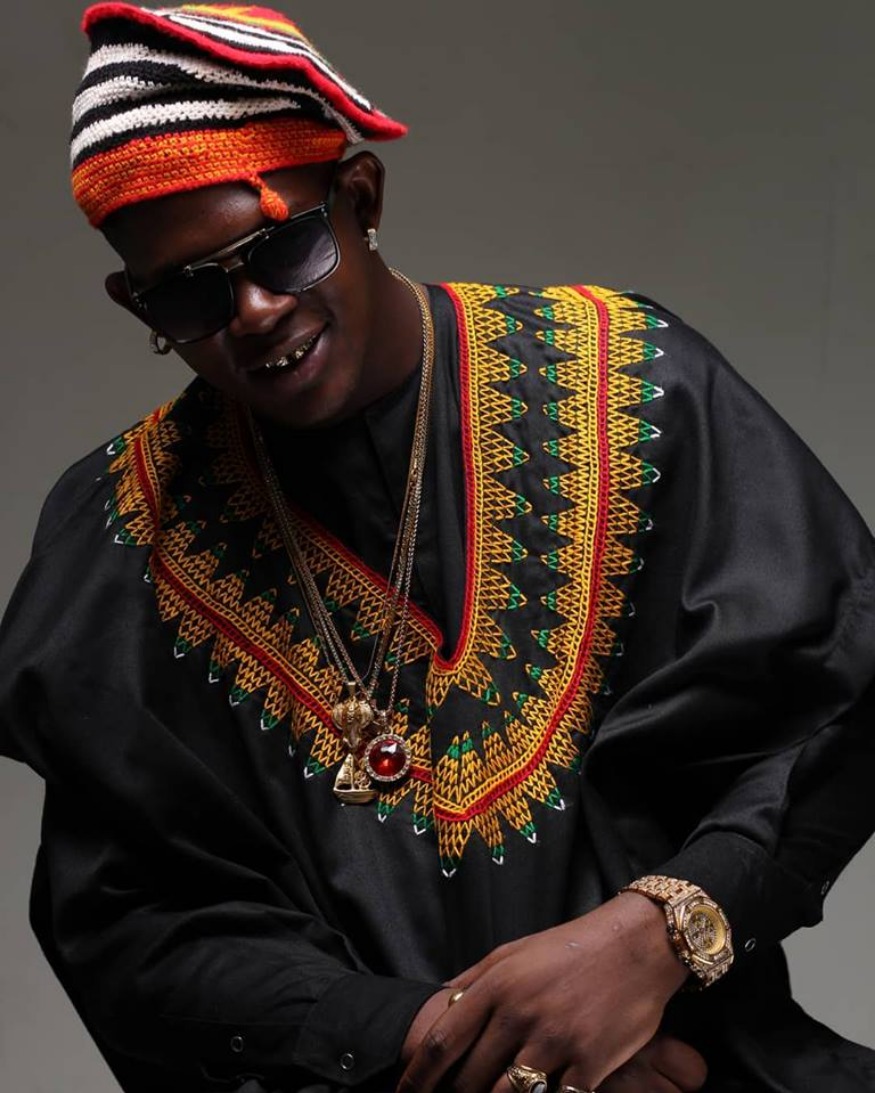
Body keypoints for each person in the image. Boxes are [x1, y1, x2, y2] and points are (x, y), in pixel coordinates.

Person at [1, 3, 874, 1092]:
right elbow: (134, 926)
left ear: (361, 199)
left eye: (284, 246)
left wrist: (656, 935)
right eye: (189, 291)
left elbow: (841, 693)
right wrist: (449, 1044)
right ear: (134, 299)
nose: (255, 310)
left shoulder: (630, 384)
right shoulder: (124, 535)